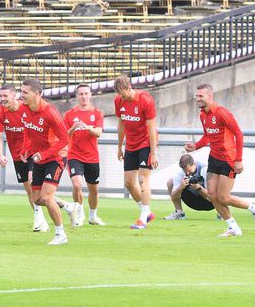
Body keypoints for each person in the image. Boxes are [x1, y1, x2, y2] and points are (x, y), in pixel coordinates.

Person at [184, 83, 255, 238]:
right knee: (212, 196)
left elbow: (238, 134)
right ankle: (233, 228)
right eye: (197, 96)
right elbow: (207, 136)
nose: (198, 99)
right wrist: (196, 146)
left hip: (229, 159)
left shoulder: (222, 113)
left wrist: (239, 160)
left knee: (223, 197)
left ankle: (254, 208)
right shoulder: (202, 115)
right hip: (214, 158)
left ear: (210, 96)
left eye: (201, 96)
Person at [20, 77, 75, 245]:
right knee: (37, 199)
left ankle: (61, 235)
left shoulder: (50, 112)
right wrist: (26, 149)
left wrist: (44, 155)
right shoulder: (25, 109)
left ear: (37, 94)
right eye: (21, 91)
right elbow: (28, 131)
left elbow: (64, 139)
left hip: (55, 158)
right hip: (40, 158)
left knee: (47, 196)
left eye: (25, 92)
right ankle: (68, 207)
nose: (21, 95)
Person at [0, 82, 46, 231]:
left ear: (14, 95)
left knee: (31, 182)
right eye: (1, 95)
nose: (2, 98)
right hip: (17, 156)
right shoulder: (1, 112)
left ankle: (39, 219)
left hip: (32, 151)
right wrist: (0, 155)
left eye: (5, 96)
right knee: (29, 189)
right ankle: (43, 216)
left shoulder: (26, 108)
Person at [114, 74, 158, 230]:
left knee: (142, 179)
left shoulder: (145, 100)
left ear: (128, 87)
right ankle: (147, 212)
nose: (121, 96)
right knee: (129, 183)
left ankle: (143, 218)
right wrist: (120, 146)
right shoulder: (119, 101)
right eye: (118, 93)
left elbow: (152, 128)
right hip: (131, 145)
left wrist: (153, 153)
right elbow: (121, 125)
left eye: (122, 92)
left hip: (146, 143)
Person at [63, 84, 105, 227]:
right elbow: (63, 136)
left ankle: (93, 216)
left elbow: (99, 132)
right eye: (81, 94)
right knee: (77, 183)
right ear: (77, 96)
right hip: (74, 155)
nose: (84, 96)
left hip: (92, 156)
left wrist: (88, 127)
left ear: (90, 95)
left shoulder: (97, 113)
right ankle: (79, 212)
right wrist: (73, 129)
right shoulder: (69, 114)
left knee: (93, 189)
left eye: (86, 93)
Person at [164, 153, 215, 219]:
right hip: (192, 202)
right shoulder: (180, 174)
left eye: (189, 171)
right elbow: (173, 197)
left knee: (220, 180)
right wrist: (181, 187)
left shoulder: (206, 170)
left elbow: (211, 198)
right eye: (185, 171)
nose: (187, 173)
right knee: (170, 182)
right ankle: (179, 213)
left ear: (194, 164)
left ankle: (221, 212)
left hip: (211, 203)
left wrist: (199, 188)